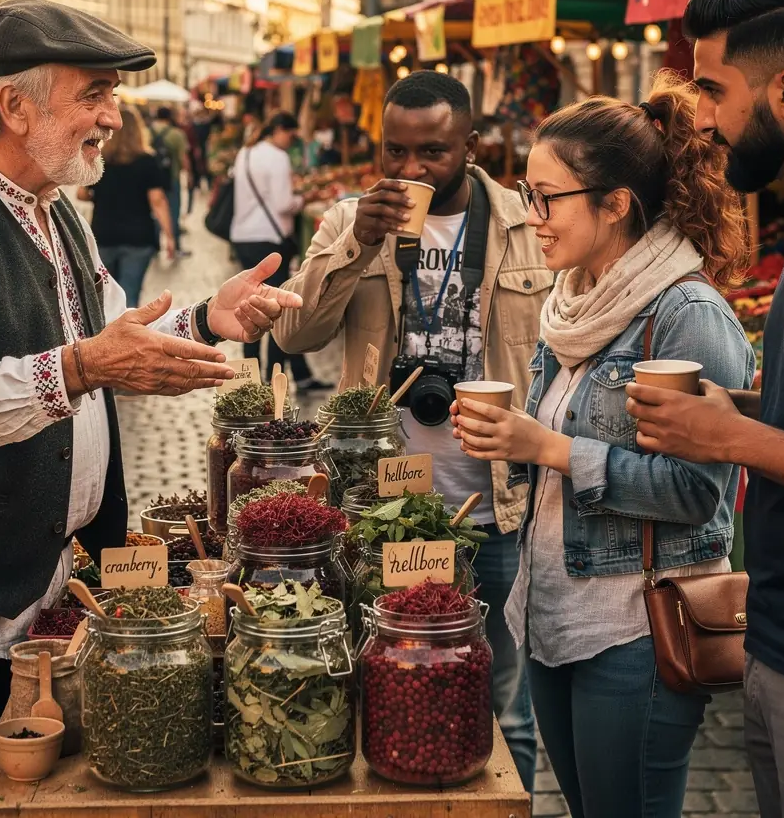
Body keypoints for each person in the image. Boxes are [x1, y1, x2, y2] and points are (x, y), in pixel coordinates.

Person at [0, 0, 303, 818]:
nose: (113, 118)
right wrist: (82, 367)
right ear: (15, 104)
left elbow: (108, 332)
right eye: (95, 94)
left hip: (31, 571)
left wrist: (203, 320)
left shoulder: (52, 211)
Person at [451, 74, 755, 818]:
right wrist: (510, 443)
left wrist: (550, 448)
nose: (534, 217)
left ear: (616, 202)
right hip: (555, 618)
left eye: (547, 198)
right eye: (528, 194)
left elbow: (697, 494)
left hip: (635, 628)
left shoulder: (687, 314)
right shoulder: (574, 303)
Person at [272, 71, 548, 790]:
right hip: (379, 510)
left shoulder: (527, 223)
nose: (410, 170)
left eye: (433, 153)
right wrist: (355, 245)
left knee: (501, 705)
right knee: (384, 690)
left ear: (472, 145)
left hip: (495, 509)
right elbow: (298, 333)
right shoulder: (346, 220)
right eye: (395, 152)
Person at [626, 0, 784, 818]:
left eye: (711, 88)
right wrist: (726, 412)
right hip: (776, 638)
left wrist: (726, 438)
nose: (697, 116)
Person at [232, 110, 333, 393]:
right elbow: (283, 204)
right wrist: (306, 198)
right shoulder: (277, 158)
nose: (292, 141)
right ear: (279, 131)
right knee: (276, 312)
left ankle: (253, 378)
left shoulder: (246, 152)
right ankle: (274, 378)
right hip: (270, 240)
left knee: (249, 307)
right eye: (291, 135)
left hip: (243, 236)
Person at [82, 103, 175, 306]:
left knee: (104, 296)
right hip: (138, 237)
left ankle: (106, 336)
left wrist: (103, 195)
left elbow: (82, 193)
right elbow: (157, 201)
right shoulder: (147, 161)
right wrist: (169, 236)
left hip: (104, 233)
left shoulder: (101, 159)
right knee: (129, 296)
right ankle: (127, 336)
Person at [150, 106, 190, 257]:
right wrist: (189, 174)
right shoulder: (177, 134)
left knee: (153, 211)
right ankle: (175, 246)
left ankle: (154, 246)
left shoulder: (147, 132)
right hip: (172, 179)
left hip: (151, 181)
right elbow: (183, 157)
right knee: (173, 212)